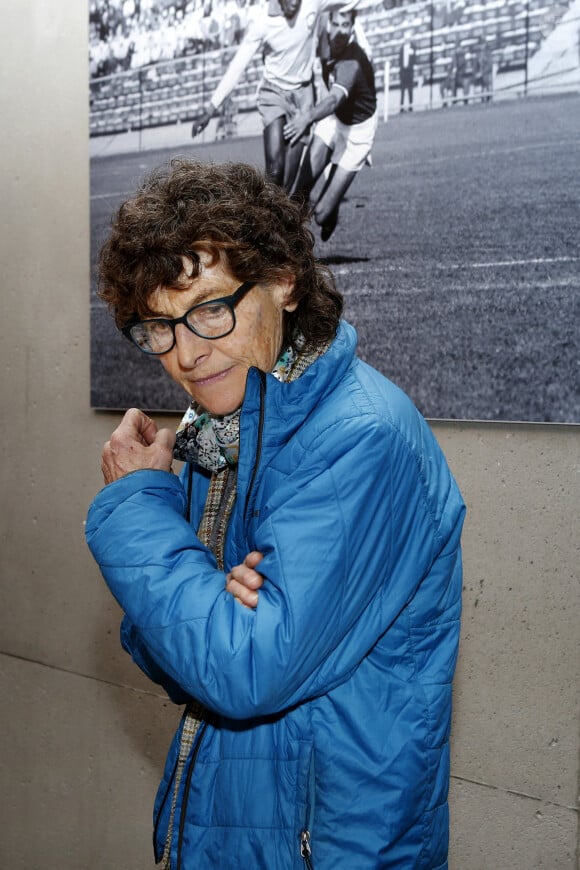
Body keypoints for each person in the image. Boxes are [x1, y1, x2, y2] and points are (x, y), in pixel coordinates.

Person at [86, 158, 466, 869]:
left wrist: (138, 508)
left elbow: (245, 669)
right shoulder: (227, 429)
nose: (187, 355)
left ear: (285, 279)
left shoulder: (358, 438)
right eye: (159, 327)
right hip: (240, 831)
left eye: (210, 309)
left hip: (331, 848)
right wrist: (207, 606)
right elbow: (191, 658)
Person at [190, 0, 358, 191]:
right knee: (275, 170)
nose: (295, 3)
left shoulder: (313, 4)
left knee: (287, 183)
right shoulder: (262, 23)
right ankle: (262, 217)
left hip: (303, 97)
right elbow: (238, 66)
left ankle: (274, 217)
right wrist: (211, 108)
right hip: (274, 93)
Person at [284, 6, 377, 241]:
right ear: (328, 22)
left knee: (322, 216)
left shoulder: (352, 62)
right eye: (335, 24)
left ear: (353, 28)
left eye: (345, 26)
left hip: (358, 132)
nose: (339, 31)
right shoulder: (324, 42)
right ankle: (286, 250)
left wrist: (306, 118)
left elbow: (334, 99)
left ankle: (331, 209)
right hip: (333, 120)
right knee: (299, 193)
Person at [398, 30, 416, 112]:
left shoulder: (413, 47)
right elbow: (400, 60)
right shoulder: (402, 48)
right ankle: (401, 106)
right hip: (403, 71)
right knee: (402, 90)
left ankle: (410, 106)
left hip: (409, 71)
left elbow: (414, 59)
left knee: (410, 89)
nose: (406, 40)